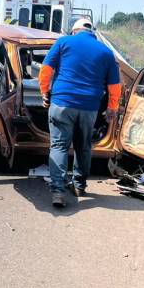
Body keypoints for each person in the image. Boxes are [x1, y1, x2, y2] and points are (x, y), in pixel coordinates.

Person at [38, 18, 121, 208]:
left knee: (59, 146)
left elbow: (45, 70)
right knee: (83, 147)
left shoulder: (63, 42)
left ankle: (58, 191)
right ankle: (79, 186)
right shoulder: (106, 52)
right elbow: (114, 86)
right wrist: (112, 108)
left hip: (61, 103)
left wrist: (44, 91)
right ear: (92, 31)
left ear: (74, 31)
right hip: (89, 107)